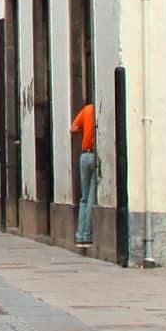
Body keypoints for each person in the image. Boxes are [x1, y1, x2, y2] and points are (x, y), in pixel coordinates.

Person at [71, 95, 101, 249]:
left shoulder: (87, 109)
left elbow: (73, 128)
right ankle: (88, 236)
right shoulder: (100, 110)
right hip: (95, 154)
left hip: (84, 155)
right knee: (91, 196)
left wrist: (85, 128)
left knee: (84, 197)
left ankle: (80, 235)